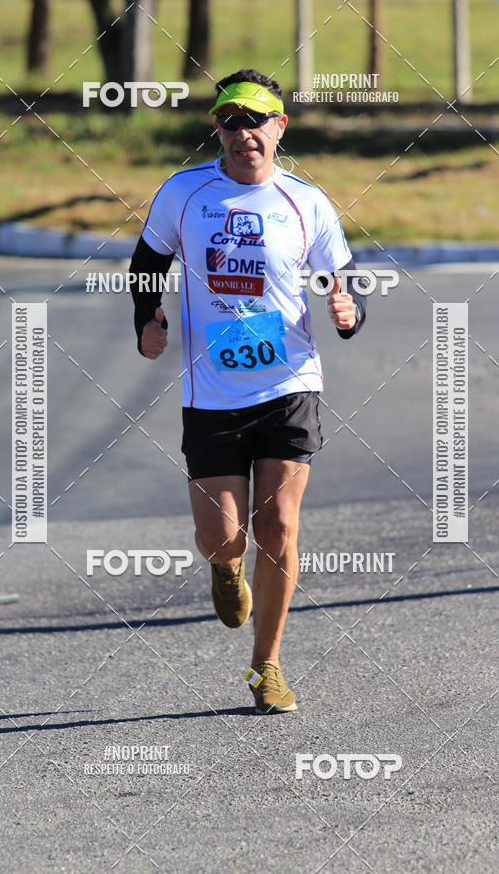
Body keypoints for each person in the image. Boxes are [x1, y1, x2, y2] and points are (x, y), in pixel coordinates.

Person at [130, 68, 366, 714]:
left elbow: (343, 281)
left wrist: (348, 312)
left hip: (290, 383)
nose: (244, 134)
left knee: (280, 524)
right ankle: (226, 567)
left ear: (279, 127)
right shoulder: (185, 193)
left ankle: (267, 666)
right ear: (218, 129)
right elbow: (148, 261)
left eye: (256, 121)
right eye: (231, 121)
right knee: (223, 537)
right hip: (212, 393)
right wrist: (145, 318)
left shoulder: (305, 202)